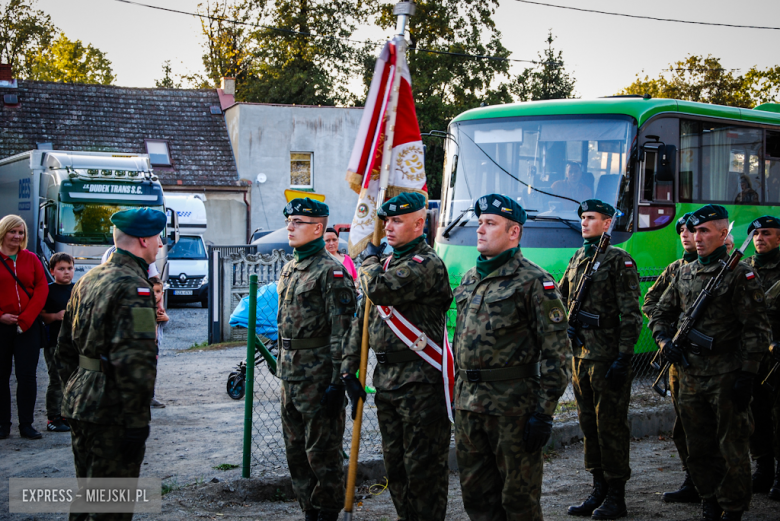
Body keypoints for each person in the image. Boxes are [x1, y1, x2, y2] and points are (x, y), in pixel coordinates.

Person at [453, 194, 571, 520]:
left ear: (513, 232)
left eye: (490, 224)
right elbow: (459, 341)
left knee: (519, 502)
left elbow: (557, 354)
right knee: (477, 500)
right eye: (479, 223)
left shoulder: (535, 281)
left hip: (513, 411)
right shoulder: (469, 279)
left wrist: (544, 413)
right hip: (468, 407)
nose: (480, 230)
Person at [649, 204, 771, 521]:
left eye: (705, 231)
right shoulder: (683, 272)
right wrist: (664, 341)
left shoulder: (740, 274)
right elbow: (660, 313)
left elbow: (756, 329)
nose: (697, 237)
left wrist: (747, 373)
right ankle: (708, 500)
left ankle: (732, 509)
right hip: (689, 373)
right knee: (698, 445)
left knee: (731, 446)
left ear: (722, 233)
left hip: (726, 375)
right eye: (694, 231)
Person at [342, 192, 453, 521]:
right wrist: (349, 371)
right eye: (386, 220)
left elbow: (378, 289)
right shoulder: (386, 264)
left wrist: (368, 262)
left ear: (419, 224)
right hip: (388, 384)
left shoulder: (426, 263)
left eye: (397, 220)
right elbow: (360, 323)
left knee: (424, 473)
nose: (388, 227)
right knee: (398, 471)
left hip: (421, 384)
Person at [56, 207, 165, 521]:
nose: (159, 245)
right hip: (112, 409)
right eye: (157, 238)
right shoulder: (134, 287)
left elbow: (64, 349)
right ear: (144, 239)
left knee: (87, 494)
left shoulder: (89, 278)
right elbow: (136, 363)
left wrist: (73, 391)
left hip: (81, 400)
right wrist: (136, 423)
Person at [559, 199, 642, 519]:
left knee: (610, 426)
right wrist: (569, 325)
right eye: (582, 217)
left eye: (591, 218)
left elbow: (631, 314)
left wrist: (625, 356)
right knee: (588, 424)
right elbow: (564, 296)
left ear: (607, 223)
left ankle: (617, 494)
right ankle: (598, 488)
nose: (584, 222)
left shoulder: (618, 260)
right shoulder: (579, 256)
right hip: (581, 354)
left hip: (607, 356)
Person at [277, 198, 356, 521]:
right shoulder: (290, 267)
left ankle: (326, 513)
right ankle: (308, 510)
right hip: (290, 376)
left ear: (318, 228)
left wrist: (339, 381)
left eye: (298, 222)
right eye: (290, 221)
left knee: (322, 453)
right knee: (295, 452)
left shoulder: (332, 272)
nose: (290, 227)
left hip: (319, 377)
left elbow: (344, 332)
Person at [642, 213, 699, 503]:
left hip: (712, 361)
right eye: (682, 231)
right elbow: (650, 302)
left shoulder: (725, 269)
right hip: (679, 354)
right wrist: (666, 330)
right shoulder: (675, 268)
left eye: (691, 230)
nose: (686, 236)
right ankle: (693, 480)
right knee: (684, 426)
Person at [0, 214, 49, 440]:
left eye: (21, 233)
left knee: (27, 377)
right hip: (1, 326)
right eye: (13, 232)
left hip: (27, 327)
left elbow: (41, 289)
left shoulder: (31, 258)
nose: (17, 236)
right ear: (3, 232)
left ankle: (26, 424)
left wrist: (26, 318)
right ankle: (3, 425)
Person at [743, 216, 780, 495]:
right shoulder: (743, 270)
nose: (759, 238)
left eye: (766, 233)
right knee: (756, 414)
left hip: (777, 356)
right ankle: (764, 469)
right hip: (752, 355)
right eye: (756, 234)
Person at [40, 252, 75, 433]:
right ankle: (52, 417)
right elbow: (41, 316)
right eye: (61, 269)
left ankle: (65, 415)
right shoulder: (48, 290)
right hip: (54, 342)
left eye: (69, 268)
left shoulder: (77, 289)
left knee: (71, 379)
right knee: (56, 380)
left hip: (73, 343)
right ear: (52, 271)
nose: (66, 272)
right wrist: (55, 316)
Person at [149, 277, 168, 409]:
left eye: (158, 291)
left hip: (155, 345)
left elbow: (163, 324)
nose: (155, 294)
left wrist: (166, 318)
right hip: (146, 344)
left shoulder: (160, 308)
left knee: (152, 370)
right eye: (152, 291)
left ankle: (151, 396)